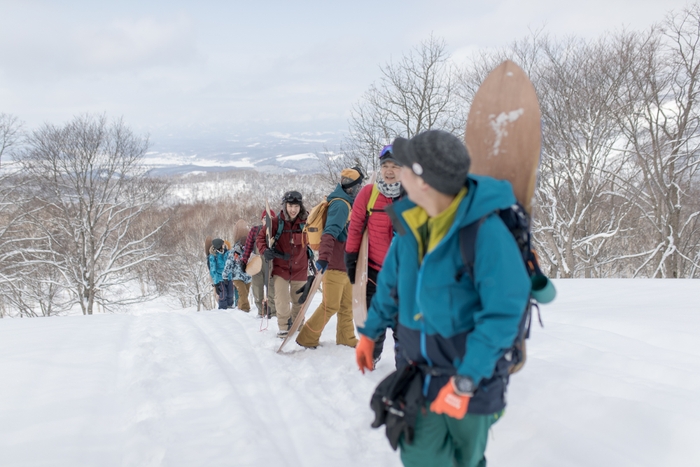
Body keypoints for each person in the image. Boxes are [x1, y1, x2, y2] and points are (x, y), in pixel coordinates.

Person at [355, 130, 531, 467]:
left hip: (472, 380)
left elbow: (503, 314)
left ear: (422, 181)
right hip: (417, 376)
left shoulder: (485, 233)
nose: (396, 171)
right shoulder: (409, 224)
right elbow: (390, 288)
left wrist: (466, 380)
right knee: (420, 456)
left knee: (467, 460)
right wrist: (370, 332)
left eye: (403, 165)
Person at [345, 145, 402, 364]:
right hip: (373, 274)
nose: (389, 170)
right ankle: (373, 355)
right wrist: (351, 258)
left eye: (395, 166)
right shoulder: (369, 194)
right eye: (385, 166)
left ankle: (404, 368)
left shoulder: (415, 196)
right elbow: (356, 227)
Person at [296, 167, 365, 349]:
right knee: (330, 306)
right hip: (334, 264)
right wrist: (324, 259)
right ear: (353, 187)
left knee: (346, 306)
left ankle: (346, 338)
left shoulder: (348, 204)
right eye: (359, 186)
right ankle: (307, 337)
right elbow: (329, 233)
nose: (360, 190)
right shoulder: (341, 205)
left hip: (346, 265)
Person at [256, 191, 311, 338]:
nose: (293, 209)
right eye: (290, 206)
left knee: (299, 300)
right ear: (285, 206)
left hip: (300, 267)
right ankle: (284, 327)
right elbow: (260, 238)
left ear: (301, 206)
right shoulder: (276, 222)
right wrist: (264, 251)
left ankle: (298, 325)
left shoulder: (307, 221)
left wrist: (298, 239)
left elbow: (315, 236)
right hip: (281, 268)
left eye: (296, 206)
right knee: (281, 299)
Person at [242, 209, 277, 318]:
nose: (268, 221)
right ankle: (261, 310)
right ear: (261, 220)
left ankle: (273, 311)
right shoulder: (255, 231)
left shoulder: (277, 231)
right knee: (257, 287)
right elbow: (248, 247)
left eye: (271, 219)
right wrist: (244, 261)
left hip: (273, 263)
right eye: (265, 219)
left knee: (272, 287)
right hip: (258, 262)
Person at [223, 241, 252, 312]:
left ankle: (239, 307)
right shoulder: (234, 251)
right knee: (243, 293)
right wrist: (225, 275)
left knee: (245, 294)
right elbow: (229, 263)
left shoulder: (251, 249)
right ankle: (245, 309)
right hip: (237, 276)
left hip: (248, 277)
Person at [208, 238, 235, 310]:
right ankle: (223, 310)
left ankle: (230, 308)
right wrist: (216, 283)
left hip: (228, 277)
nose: (224, 245)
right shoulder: (213, 256)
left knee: (230, 294)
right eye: (222, 244)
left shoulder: (227, 253)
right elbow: (213, 270)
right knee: (223, 294)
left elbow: (231, 263)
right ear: (218, 246)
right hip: (220, 279)